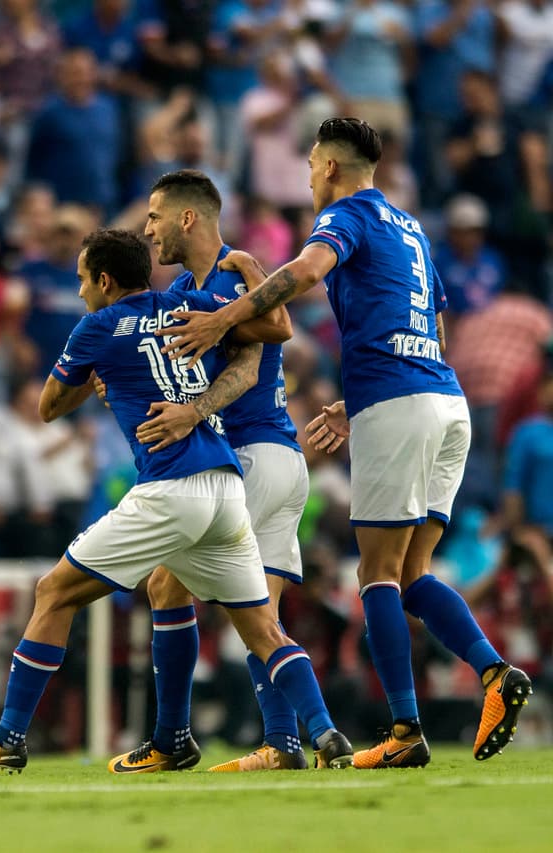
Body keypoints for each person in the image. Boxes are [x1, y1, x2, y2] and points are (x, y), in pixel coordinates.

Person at [160, 117, 533, 768]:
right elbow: (435, 327)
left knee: (376, 574)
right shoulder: (412, 227)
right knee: (413, 573)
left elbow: (306, 271)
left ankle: (405, 730)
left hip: (400, 404)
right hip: (445, 401)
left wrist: (224, 317)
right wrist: (356, 400)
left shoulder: (347, 215)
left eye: (310, 164)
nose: (308, 177)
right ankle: (495, 672)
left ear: (331, 167)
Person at [0, 228, 354, 774]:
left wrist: (99, 368)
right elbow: (275, 327)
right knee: (262, 629)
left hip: (171, 488)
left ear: (104, 280)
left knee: (54, 592)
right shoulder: (193, 306)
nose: (80, 290)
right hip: (226, 486)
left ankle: (9, 736)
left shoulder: (97, 326)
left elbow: (48, 407)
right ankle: (325, 734)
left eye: (82, 280)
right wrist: (250, 271)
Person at [121, 169, 309, 772]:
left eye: (155, 216)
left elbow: (277, 330)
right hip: (284, 457)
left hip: (249, 453)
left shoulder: (234, 275)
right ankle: (286, 743)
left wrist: (195, 408)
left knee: (166, 585)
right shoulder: (186, 288)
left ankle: (171, 739)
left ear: (188, 217)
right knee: (261, 615)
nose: (148, 229)